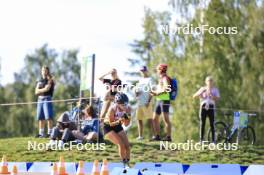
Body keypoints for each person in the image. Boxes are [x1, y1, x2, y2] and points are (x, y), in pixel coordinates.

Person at [103, 93, 131, 167]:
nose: (125, 107)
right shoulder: (112, 109)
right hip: (108, 126)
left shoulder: (128, 109)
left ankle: (127, 163)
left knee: (127, 146)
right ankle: (124, 164)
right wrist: (120, 120)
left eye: (126, 104)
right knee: (121, 145)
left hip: (117, 125)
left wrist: (126, 118)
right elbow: (111, 123)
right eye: (123, 105)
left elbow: (126, 124)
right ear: (118, 104)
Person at [193, 76, 220, 143]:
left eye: (211, 81)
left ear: (212, 82)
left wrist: (212, 96)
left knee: (212, 124)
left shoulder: (215, 90)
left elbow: (218, 99)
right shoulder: (202, 88)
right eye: (208, 81)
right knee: (202, 123)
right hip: (203, 106)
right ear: (206, 82)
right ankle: (201, 140)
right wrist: (200, 93)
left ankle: (213, 140)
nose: (209, 82)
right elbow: (194, 96)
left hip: (211, 107)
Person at [150, 64, 172, 141]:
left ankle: (168, 137)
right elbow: (161, 89)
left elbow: (166, 89)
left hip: (164, 100)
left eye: (157, 70)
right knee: (154, 118)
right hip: (159, 100)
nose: (156, 71)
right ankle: (157, 136)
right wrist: (154, 92)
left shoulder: (165, 78)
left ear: (161, 70)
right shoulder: (161, 79)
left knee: (165, 119)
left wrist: (157, 93)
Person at [135, 66, 154, 140]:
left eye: (144, 71)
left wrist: (149, 101)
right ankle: (140, 136)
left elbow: (152, 91)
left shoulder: (150, 80)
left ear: (146, 71)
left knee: (150, 119)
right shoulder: (140, 80)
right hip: (139, 102)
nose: (142, 72)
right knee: (139, 119)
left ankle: (154, 135)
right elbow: (137, 92)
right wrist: (136, 93)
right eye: (141, 71)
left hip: (146, 103)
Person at [35, 66, 55, 138]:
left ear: (48, 71)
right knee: (41, 117)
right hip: (40, 99)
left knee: (48, 117)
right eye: (43, 70)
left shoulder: (50, 80)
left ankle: (50, 133)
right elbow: (36, 92)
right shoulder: (39, 80)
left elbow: (47, 89)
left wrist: (40, 90)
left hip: (47, 98)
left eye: (45, 70)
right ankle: (41, 133)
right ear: (41, 71)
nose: (44, 72)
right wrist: (41, 90)